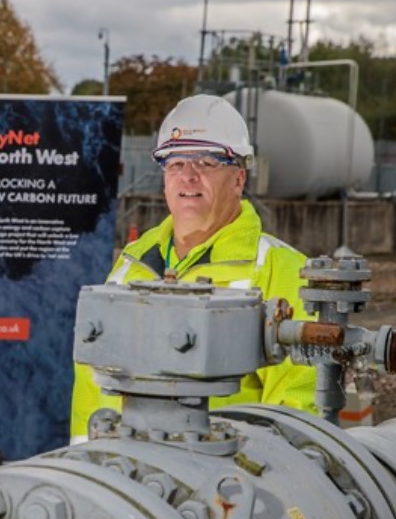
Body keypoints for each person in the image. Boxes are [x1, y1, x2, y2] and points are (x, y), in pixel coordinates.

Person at [70, 94, 317, 444]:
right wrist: (87, 458)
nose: (188, 176)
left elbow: (298, 407)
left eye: (206, 162)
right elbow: (91, 380)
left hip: (224, 471)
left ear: (238, 179)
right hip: (125, 466)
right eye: (175, 164)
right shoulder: (132, 263)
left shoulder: (285, 270)